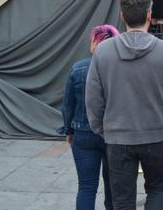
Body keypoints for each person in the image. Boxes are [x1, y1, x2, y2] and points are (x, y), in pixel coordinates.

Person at [86, 0, 163, 210]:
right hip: (154, 136)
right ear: (149, 15)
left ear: (122, 16)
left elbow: (93, 99)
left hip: (117, 138)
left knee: (122, 200)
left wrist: (102, 129)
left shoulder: (103, 52)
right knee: (156, 189)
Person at [61, 25, 119, 210]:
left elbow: (68, 106)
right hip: (114, 135)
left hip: (83, 134)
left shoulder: (78, 68)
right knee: (113, 188)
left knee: (86, 188)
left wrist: (69, 130)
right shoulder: (120, 70)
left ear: (94, 43)